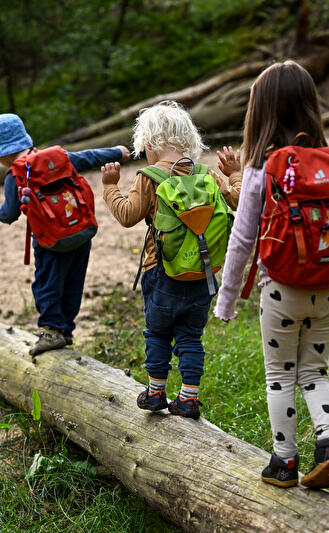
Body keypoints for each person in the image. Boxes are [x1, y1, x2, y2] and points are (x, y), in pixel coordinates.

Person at [213, 61, 329, 489]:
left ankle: (284, 462)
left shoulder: (259, 169)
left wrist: (227, 300)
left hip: (281, 291)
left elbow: (241, 240)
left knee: (280, 376)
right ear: (311, 106)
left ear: (260, 111)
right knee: (315, 372)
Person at [100, 101, 242, 419]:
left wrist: (110, 189)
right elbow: (239, 201)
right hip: (204, 272)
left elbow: (127, 215)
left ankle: (155, 393)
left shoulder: (149, 176)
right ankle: (188, 398)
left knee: (158, 333)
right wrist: (234, 173)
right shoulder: (206, 175)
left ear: (149, 143)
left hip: (161, 272)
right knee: (191, 336)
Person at [0, 113, 129, 356]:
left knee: (48, 283)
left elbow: (10, 213)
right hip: (82, 231)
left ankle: (52, 332)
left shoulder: (16, 175)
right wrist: (117, 151)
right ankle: (67, 330)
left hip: (51, 241)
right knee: (73, 281)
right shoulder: (57, 158)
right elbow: (89, 157)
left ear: (1, 153)